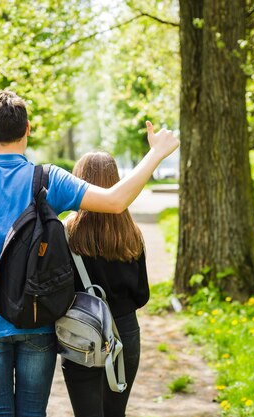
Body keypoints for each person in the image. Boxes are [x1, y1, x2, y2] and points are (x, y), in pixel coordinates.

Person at [0, 90, 179, 417]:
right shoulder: (49, 178)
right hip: (37, 319)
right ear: (28, 128)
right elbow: (115, 201)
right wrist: (155, 154)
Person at [62, 151, 150, 417]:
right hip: (124, 330)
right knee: (116, 412)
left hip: (81, 331)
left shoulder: (68, 231)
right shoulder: (131, 234)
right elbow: (142, 294)